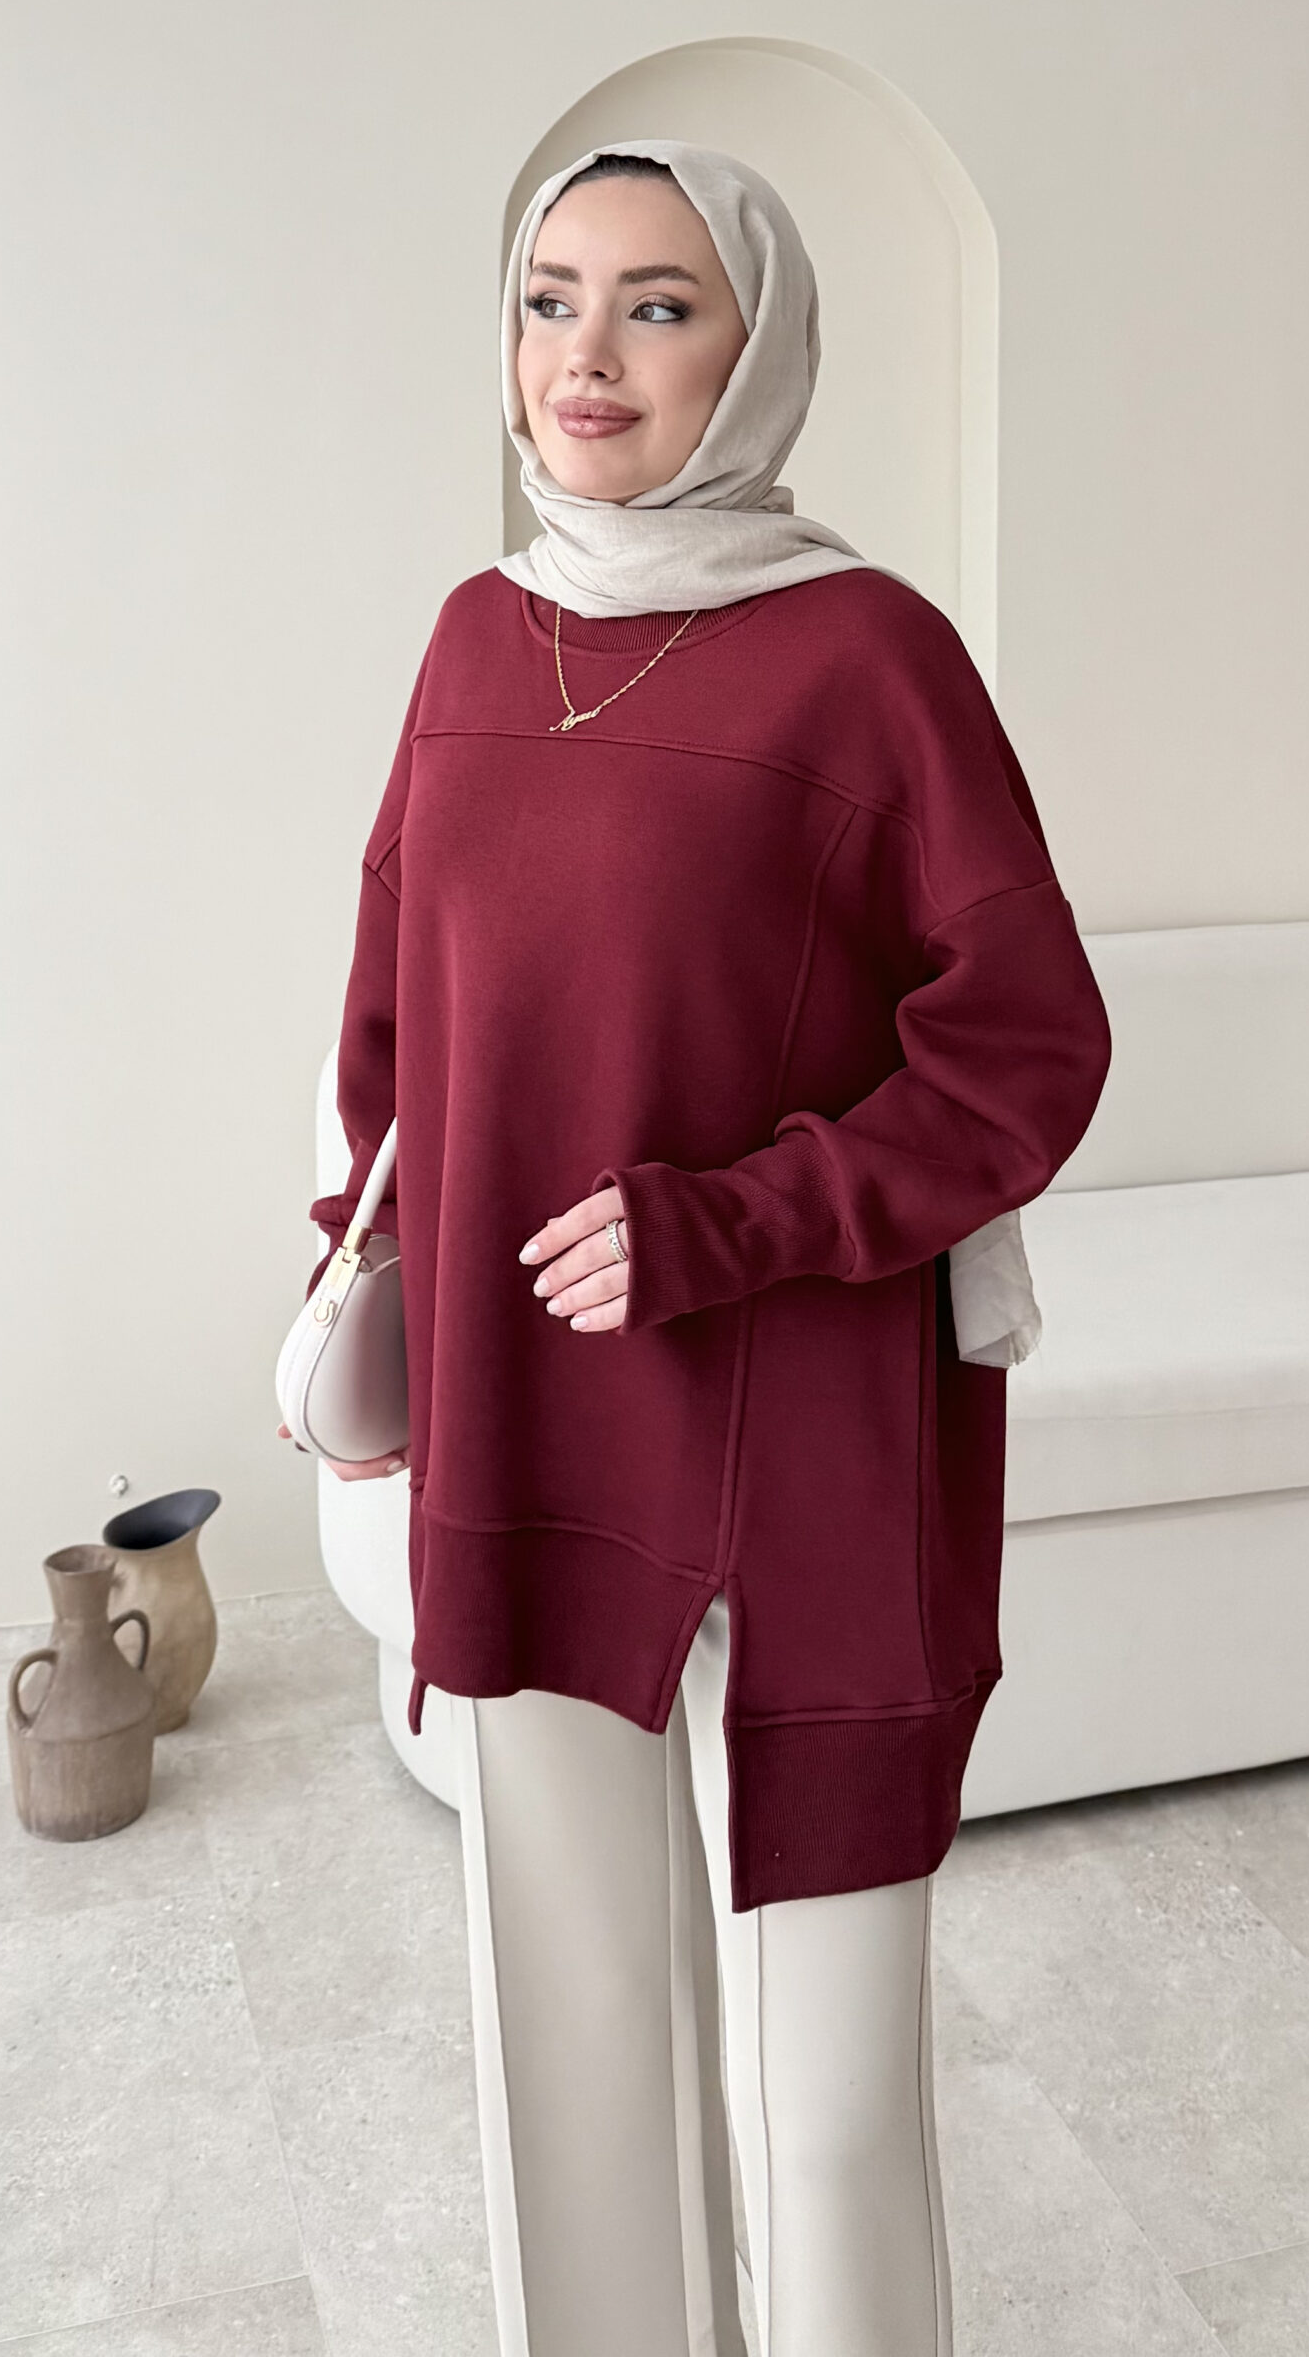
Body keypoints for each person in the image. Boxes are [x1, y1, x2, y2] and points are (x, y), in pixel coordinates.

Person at [280, 139, 1113, 2355]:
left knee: (826, 2115)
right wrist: (362, 1283)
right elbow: (397, 1032)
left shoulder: (870, 658)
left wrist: (736, 1219)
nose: (587, 356)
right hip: (534, 1416)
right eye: (550, 299)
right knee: (571, 2055)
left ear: (758, 349)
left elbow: (1028, 1043)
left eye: (658, 305)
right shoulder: (475, 636)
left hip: (818, 1429)